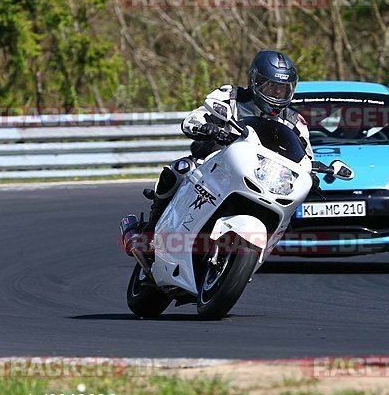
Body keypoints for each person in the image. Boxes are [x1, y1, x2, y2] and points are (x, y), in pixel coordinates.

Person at [123, 49, 313, 257]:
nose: (277, 94)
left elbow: (306, 156)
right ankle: (149, 231)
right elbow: (194, 119)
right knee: (180, 169)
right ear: (255, 82)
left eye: (283, 89)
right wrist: (206, 127)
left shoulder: (294, 121)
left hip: (263, 176)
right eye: (272, 87)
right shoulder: (231, 97)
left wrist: (312, 173)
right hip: (219, 164)